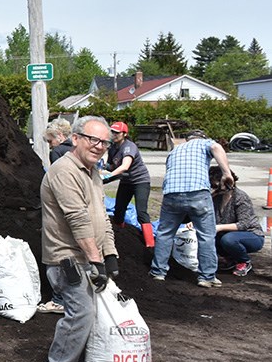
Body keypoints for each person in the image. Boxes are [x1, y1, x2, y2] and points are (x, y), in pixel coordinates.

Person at [39, 116, 119, 362]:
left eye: (104, 142)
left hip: (89, 255)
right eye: (92, 139)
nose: (98, 146)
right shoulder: (64, 171)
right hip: (67, 259)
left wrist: (110, 255)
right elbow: (77, 219)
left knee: (93, 313)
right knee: (81, 312)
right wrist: (96, 260)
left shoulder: (93, 172)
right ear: (75, 139)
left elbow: (101, 217)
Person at [149, 130, 234, 287]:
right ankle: (206, 277)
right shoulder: (205, 143)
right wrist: (226, 173)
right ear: (202, 137)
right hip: (197, 193)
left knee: (165, 233)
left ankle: (158, 272)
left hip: (171, 194)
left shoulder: (175, 150)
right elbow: (217, 148)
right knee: (206, 235)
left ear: (186, 139)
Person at [37, 117, 74, 314]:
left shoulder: (58, 152)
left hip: (61, 209)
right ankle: (74, 296)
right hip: (77, 208)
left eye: (50, 140)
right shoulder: (76, 151)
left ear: (59, 137)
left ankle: (59, 299)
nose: (50, 144)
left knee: (57, 255)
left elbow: (59, 180)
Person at [102, 121, 154, 251]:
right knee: (119, 209)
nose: (113, 134)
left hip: (140, 181)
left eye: (116, 132)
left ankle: (150, 244)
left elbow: (124, 166)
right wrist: (103, 166)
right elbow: (113, 166)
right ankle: (121, 237)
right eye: (112, 132)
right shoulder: (113, 148)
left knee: (141, 212)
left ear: (124, 134)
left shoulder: (129, 146)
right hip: (126, 181)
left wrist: (108, 176)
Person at [210, 165, 265, 277]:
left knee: (228, 240)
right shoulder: (216, 198)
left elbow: (244, 224)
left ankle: (244, 261)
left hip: (251, 235)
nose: (215, 187)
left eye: (217, 185)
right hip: (227, 234)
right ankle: (231, 259)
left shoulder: (240, 197)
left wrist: (219, 227)